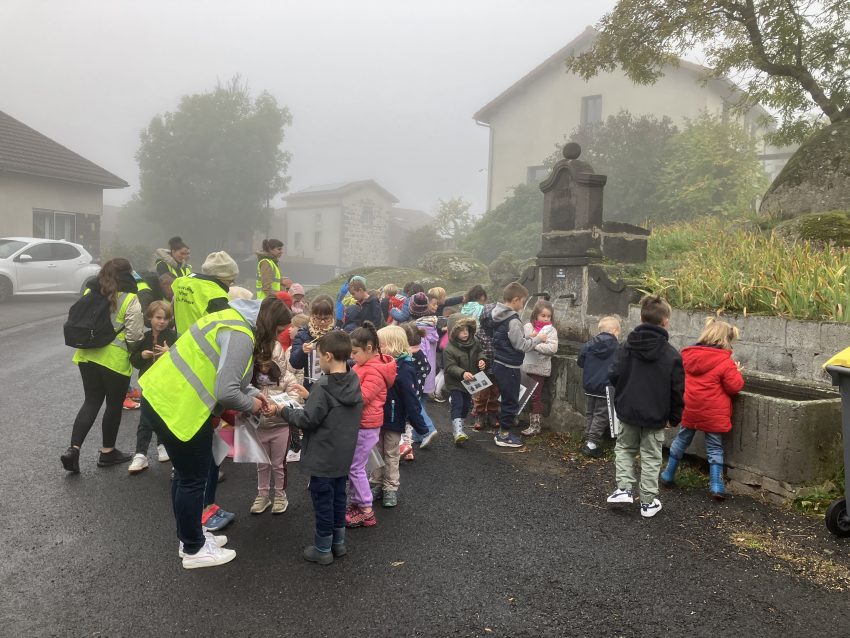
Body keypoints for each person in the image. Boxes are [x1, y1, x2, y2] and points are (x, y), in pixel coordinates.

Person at [139, 296, 291, 569]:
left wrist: (255, 394)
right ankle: (194, 549)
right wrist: (253, 405)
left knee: (184, 476)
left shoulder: (228, 319)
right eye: (278, 331)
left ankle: (190, 537)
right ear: (269, 323)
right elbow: (226, 392)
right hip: (180, 407)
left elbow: (230, 378)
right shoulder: (242, 335)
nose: (277, 338)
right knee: (192, 479)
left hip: (162, 395)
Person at [277, 331, 363, 565]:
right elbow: (331, 408)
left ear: (328, 356)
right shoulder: (353, 379)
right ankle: (338, 543)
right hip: (342, 455)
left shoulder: (323, 385)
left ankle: (323, 548)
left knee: (323, 501)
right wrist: (311, 395)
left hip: (322, 457)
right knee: (338, 499)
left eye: (319, 357)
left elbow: (307, 419)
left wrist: (283, 411)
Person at [62, 258, 144, 472]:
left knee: (91, 401)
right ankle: (108, 452)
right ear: (127, 273)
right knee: (113, 405)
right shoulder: (129, 297)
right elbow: (135, 335)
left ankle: (73, 449)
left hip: (87, 355)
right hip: (114, 360)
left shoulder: (91, 290)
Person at [606, 295, 685, 518]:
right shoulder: (672, 355)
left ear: (641, 318)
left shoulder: (626, 346)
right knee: (651, 457)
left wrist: (624, 394)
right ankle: (648, 502)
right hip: (656, 414)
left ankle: (624, 488)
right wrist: (674, 417)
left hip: (628, 410)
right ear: (666, 322)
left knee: (625, 448)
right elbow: (677, 390)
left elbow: (613, 374)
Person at [661, 318, 744, 500]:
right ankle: (716, 485)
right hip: (712, 413)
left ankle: (668, 474)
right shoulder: (725, 362)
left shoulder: (688, 356)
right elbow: (734, 387)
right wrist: (737, 373)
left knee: (681, 439)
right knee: (714, 447)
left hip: (689, 408)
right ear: (726, 340)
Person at [480, 282, 548, 449]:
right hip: (509, 366)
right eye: (523, 301)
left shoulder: (498, 315)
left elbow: (507, 339)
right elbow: (521, 345)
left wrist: (528, 337)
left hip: (499, 362)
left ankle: (502, 431)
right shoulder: (513, 320)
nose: (523, 305)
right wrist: (538, 339)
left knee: (506, 398)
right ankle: (504, 435)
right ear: (516, 300)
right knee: (511, 401)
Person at [346, 322, 397, 528]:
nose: (352, 357)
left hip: (366, 425)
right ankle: (357, 502)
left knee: (355, 467)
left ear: (369, 348)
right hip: (360, 423)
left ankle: (366, 510)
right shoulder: (362, 365)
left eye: (355, 352)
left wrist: (340, 392)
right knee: (355, 466)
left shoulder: (374, 371)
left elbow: (362, 397)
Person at [371, 325, 429, 507]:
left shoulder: (404, 367)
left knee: (391, 454)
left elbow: (410, 398)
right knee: (376, 452)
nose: (377, 348)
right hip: (376, 417)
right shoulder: (378, 363)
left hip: (394, 418)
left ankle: (390, 488)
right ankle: (377, 483)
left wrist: (419, 424)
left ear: (393, 345)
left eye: (380, 344)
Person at [249, 344, 301, 515]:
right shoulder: (252, 378)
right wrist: (252, 407)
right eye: (260, 365)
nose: (264, 369)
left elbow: (295, 401)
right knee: (261, 464)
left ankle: (280, 495)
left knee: (278, 464)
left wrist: (277, 409)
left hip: (280, 427)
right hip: (259, 427)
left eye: (268, 365)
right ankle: (262, 495)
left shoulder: (288, 378)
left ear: (277, 362)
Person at [128, 300, 178, 473]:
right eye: (158, 317)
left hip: (166, 384)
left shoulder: (173, 337)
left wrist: (169, 353)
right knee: (145, 418)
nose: (162, 321)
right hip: (148, 383)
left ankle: (162, 445)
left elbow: (182, 359)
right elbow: (134, 360)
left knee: (164, 416)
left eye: (166, 318)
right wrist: (142, 355)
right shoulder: (144, 337)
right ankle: (140, 454)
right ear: (149, 317)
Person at [577, 316, 621, 457]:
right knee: (601, 416)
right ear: (614, 330)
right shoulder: (618, 347)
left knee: (590, 413)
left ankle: (588, 438)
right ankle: (592, 444)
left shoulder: (589, 344)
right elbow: (619, 367)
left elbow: (580, 362)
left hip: (590, 385)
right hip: (606, 387)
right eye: (618, 332)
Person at [442, 315, 485, 444]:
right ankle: (458, 431)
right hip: (455, 382)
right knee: (458, 404)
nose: (465, 333)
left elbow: (480, 352)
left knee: (466, 405)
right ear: (454, 332)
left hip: (470, 381)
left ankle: (460, 427)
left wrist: (482, 360)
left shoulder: (475, 341)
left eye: (466, 329)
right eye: (461, 330)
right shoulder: (449, 349)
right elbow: (449, 367)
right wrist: (462, 373)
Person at [171, 251, 237, 335]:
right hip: (203, 342)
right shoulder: (217, 295)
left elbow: (172, 307)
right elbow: (228, 329)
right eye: (230, 281)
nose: (230, 284)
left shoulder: (182, 281)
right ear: (222, 278)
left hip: (181, 339)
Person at [520, 300, 559, 437]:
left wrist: (534, 344)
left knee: (536, 396)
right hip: (526, 366)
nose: (546, 319)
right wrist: (535, 341)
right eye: (543, 316)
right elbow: (522, 342)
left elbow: (552, 348)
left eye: (549, 316)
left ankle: (535, 425)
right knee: (521, 393)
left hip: (540, 368)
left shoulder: (551, 330)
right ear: (536, 314)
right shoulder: (528, 327)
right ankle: (513, 417)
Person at [408, 292, 440, 447]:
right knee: (421, 402)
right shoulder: (432, 326)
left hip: (418, 372)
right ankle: (418, 435)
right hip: (429, 371)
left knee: (414, 403)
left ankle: (428, 429)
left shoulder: (414, 329)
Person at [399, 322, 430, 461]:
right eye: (412, 347)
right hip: (403, 391)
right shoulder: (399, 354)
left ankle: (407, 447)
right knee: (402, 422)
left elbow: (426, 368)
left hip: (411, 391)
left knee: (406, 422)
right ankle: (404, 446)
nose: (414, 350)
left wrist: (415, 382)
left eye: (416, 347)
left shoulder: (417, 355)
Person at [472, 301, 501, 432]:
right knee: (481, 393)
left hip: (497, 366)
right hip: (482, 367)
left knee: (495, 392)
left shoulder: (500, 331)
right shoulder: (479, 333)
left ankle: (492, 414)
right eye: (489, 319)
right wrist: (479, 361)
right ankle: (480, 415)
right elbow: (475, 350)